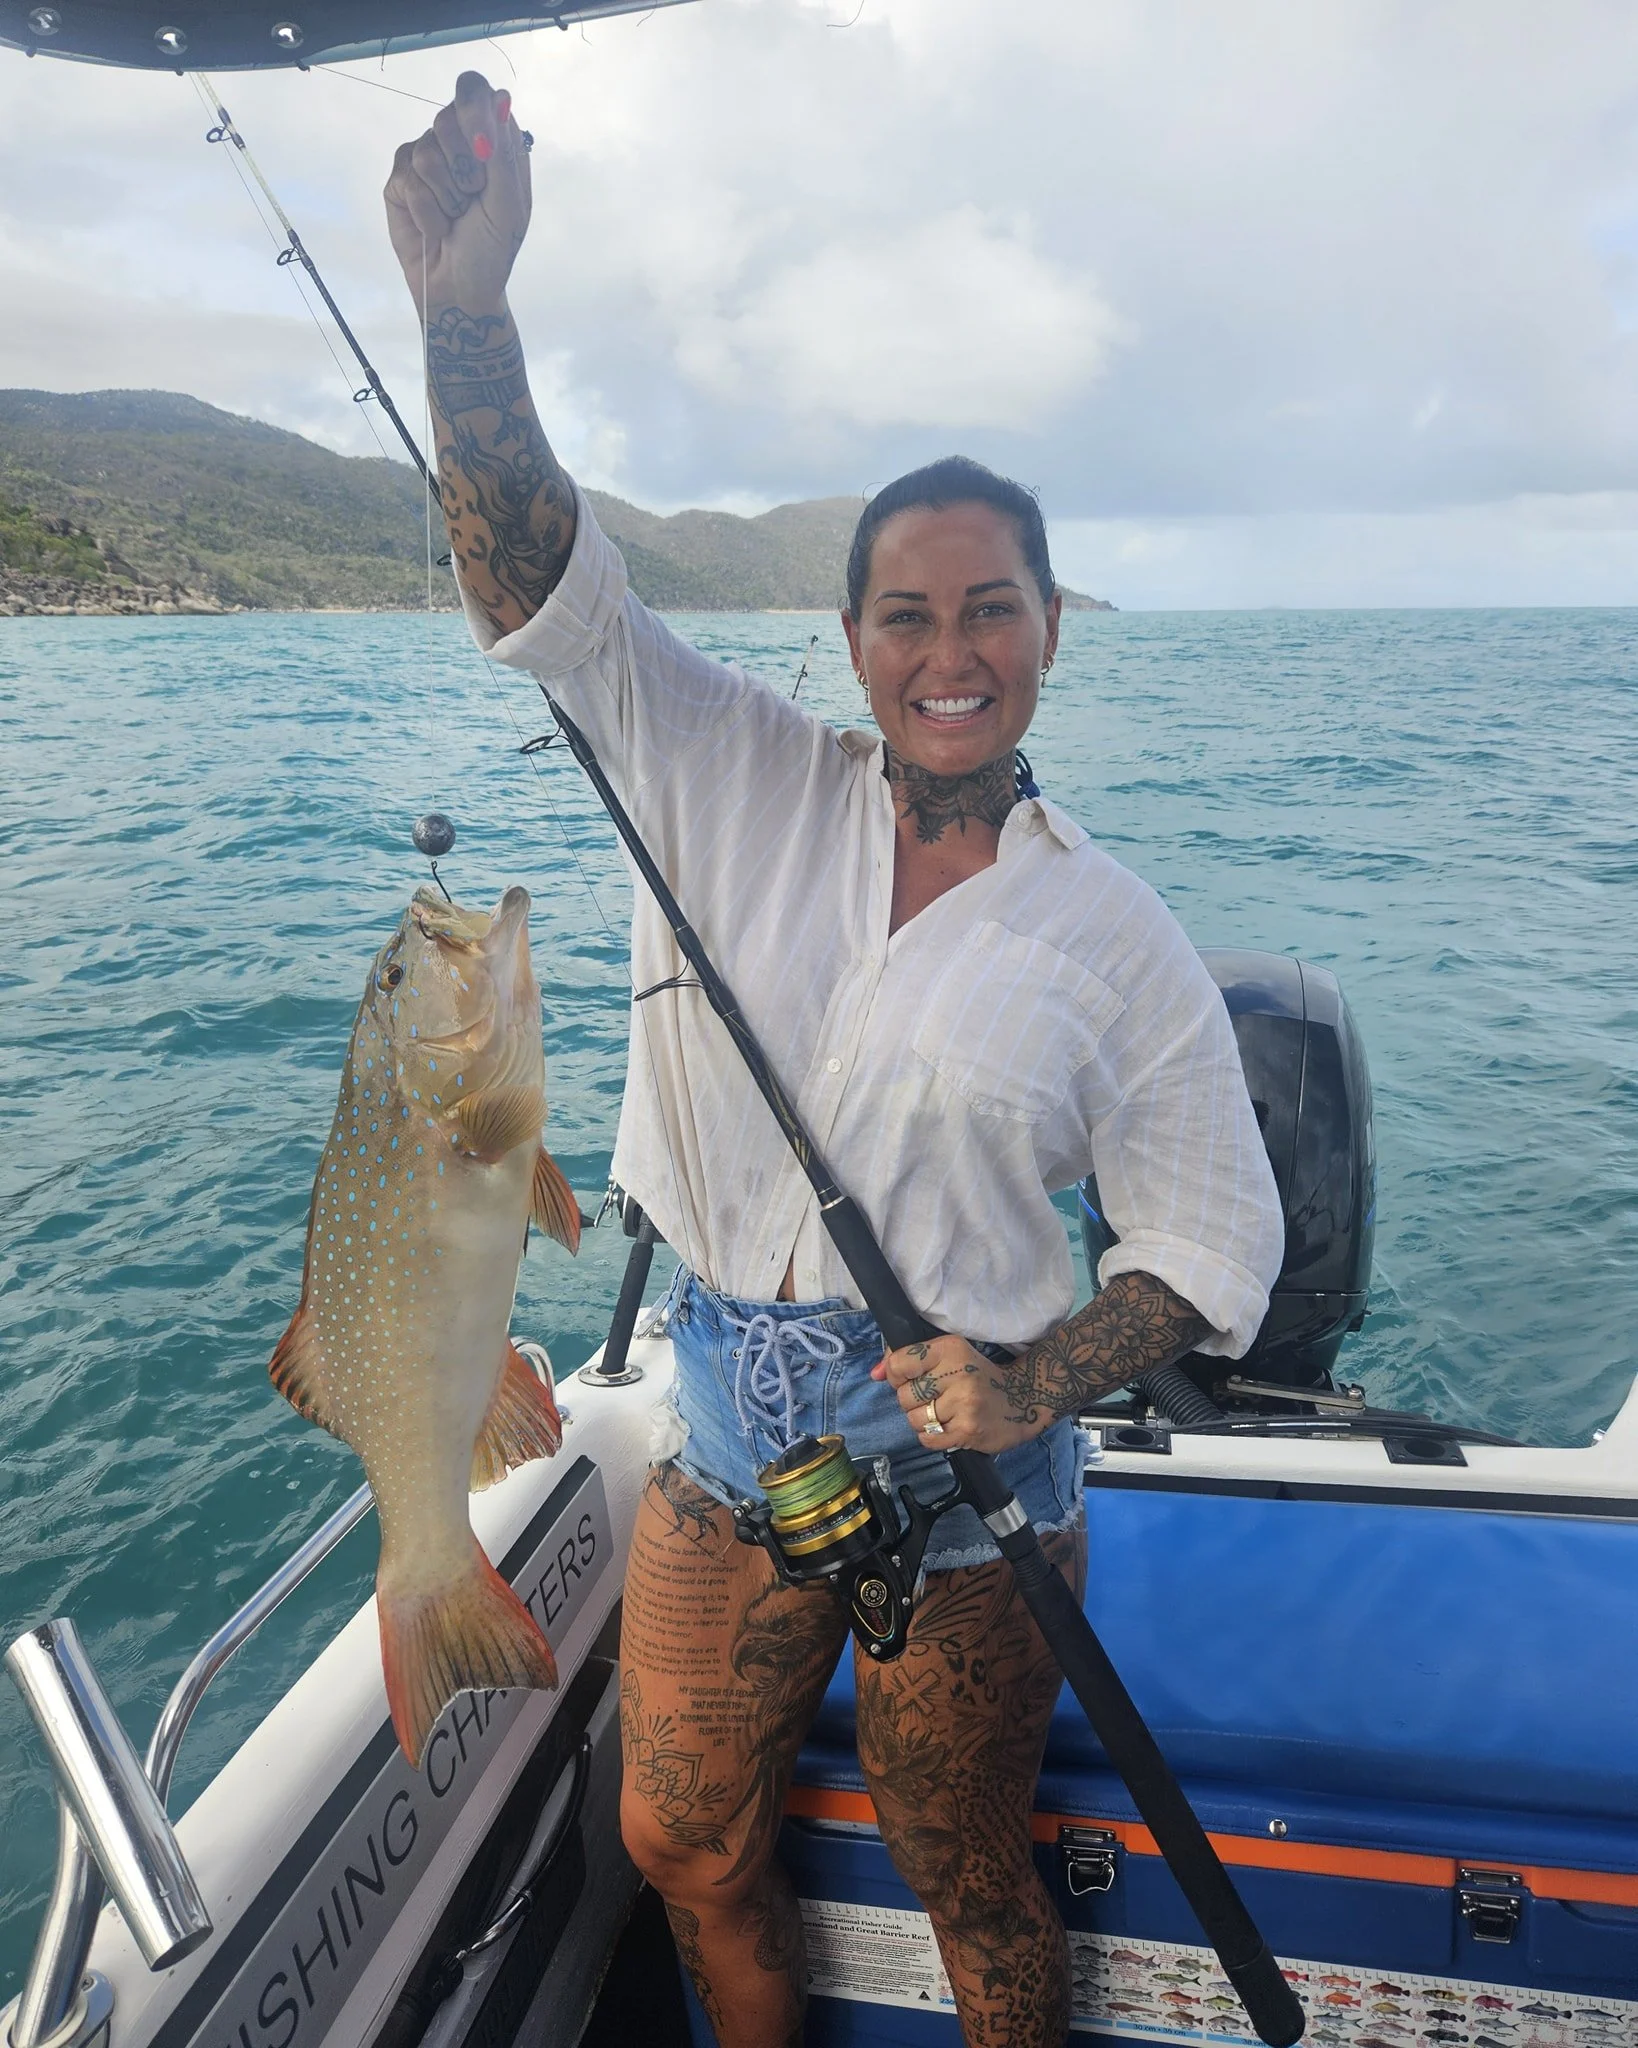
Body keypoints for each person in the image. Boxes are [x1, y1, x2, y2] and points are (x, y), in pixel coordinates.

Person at [385, 74, 1284, 2048]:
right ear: (855, 637)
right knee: (679, 1833)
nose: (950, 652)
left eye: (991, 611)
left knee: (964, 1865)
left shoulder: (1116, 937)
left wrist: (1028, 1380)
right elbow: (540, 590)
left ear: (1047, 630)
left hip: (973, 1482)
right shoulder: (727, 765)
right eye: (907, 614)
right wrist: (467, 314)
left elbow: (1216, 1247)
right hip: (727, 1427)